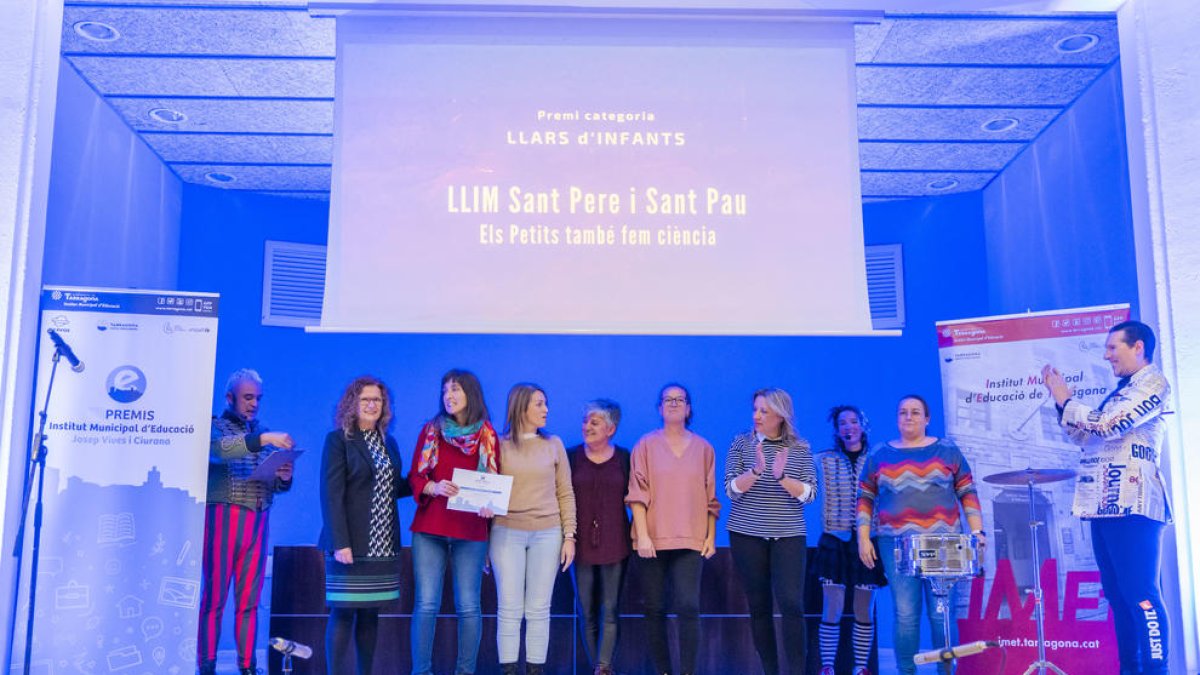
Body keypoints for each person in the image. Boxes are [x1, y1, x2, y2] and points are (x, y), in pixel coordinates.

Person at [1042, 320, 1172, 675]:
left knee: (1142, 595)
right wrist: (1061, 404)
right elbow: (1084, 437)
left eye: (1113, 347)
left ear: (1139, 347)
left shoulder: (1152, 383)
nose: (1107, 355)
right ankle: (1129, 669)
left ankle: (1157, 670)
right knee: (1117, 596)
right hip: (1102, 503)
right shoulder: (1120, 391)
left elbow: (1111, 424)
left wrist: (1067, 399)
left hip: (1135, 502)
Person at [857, 394, 984, 675]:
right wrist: (863, 537)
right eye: (903, 412)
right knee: (905, 614)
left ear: (927, 419)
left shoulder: (948, 450)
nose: (909, 417)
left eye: (915, 412)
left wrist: (977, 531)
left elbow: (967, 491)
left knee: (942, 615)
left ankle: (946, 673)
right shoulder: (879, 454)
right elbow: (865, 496)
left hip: (945, 543)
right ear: (897, 418)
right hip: (895, 543)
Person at [198, 368, 294, 675]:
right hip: (222, 519)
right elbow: (218, 451)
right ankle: (207, 665)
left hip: (257, 520)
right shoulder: (214, 428)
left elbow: (271, 484)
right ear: (230, 398)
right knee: (214, 598)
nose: (253, 404)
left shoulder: (261, 431)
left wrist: (283, 477)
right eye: (248, 397)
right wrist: (263, 438)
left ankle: (248, 666)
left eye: (257, 398)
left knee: (250, 601)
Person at [408, 369, 501, 675]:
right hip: (431, 528)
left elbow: (493, 482)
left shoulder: (488, 435)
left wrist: (491, 505)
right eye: (445, 390)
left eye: (456, 389)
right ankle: (421, 672)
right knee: (426, 605)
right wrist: (433, 487)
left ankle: (465, 672)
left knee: (469, 607)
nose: (448, 395)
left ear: (471, 394)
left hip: (470, 531)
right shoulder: (431, 430)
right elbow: (416, 476)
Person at [318, 376, 412, 675]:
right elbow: (330, 493)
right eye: (366, 399)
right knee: (343, 614)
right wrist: (339, 542)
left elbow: (393, 487)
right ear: (352, 404)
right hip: (350, 545)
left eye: (378, 400)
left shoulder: (389, 442)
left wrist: (428, 482)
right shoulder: (338, 440)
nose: (372, 405)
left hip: (382, 547)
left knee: (371, 615)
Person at [627, 383, 720, 675]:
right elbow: (637, 494)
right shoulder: (645, 445)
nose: (674, 403)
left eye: (680, 400)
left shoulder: (704, 448)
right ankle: (664, 671)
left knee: (688, 607)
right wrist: (642, 535)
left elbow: (711, 500)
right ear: (659, 408)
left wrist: (711, 537)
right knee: (655, 608)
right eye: (668, 399)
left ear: (689, 408)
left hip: (691, 540)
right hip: (651, 541)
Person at [724, 388, 818, 675]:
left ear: (781, 413)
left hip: (788, 535)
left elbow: (810, 494)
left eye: (764, 410)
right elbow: (730, 490)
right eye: (755, 409)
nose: (757, 415)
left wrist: (780, 476)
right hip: (746, 534)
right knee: (759, 604)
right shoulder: (741, 443)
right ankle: (770, 670)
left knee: (791, 602)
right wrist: (755, 471)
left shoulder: (800, 447)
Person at [491, 383, 577, 675]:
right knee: (509, 608)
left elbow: (565, 492)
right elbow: (487, 493)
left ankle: (535, 670)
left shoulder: (554, 444)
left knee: (539, 608)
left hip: (548, 533)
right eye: (539, 404)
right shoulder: (497, 445)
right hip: (505, 532)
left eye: (546, 403)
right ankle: (509, 670)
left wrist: (569, 536)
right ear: (521, 407)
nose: (546, 410)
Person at [814, 405, 887, 675]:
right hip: (834, 539)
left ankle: (860, 668)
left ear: (862, 424)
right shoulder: (823, 459)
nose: (848, 427)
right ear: (836, 429)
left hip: (868, 540)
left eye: (853, 421)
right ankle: (828, 667)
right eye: (842, 423)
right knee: (831, 606)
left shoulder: (878, 458)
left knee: (863, 609)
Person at [568, 399, 631, 675]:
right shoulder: (570, 457)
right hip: (578, 545)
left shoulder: (625, 458)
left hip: (616, 543)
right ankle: (598, 666)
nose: (586, 427)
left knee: (610, 607)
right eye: (585, 421)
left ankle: (603, 667)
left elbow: (638, 498)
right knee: (586, 609)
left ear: (611, 428)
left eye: (594, 422)